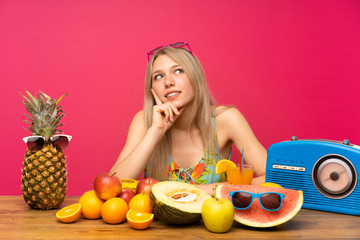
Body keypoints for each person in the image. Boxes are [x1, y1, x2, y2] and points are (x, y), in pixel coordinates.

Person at [110, 42, 267, 196]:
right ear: (152, 89)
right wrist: (155, 133)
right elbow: (112, 187)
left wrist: (205, 190)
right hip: (157, 222)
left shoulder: (226, 119)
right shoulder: (144, 122)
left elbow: (273, 178)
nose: (168, 82)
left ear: (195, 77)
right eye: (158, 76)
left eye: (178, 71)